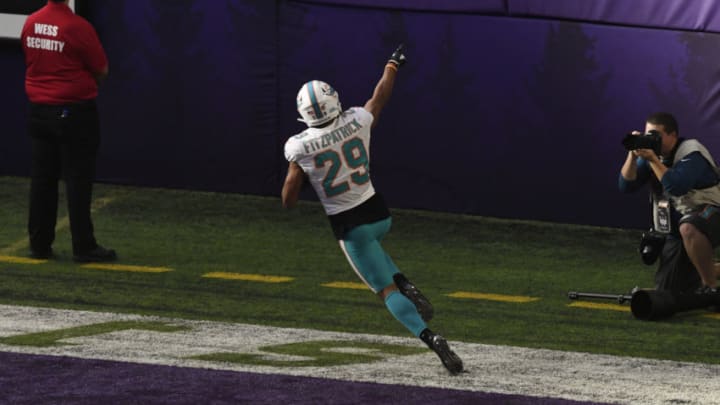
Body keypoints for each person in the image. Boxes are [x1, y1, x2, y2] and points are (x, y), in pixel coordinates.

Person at [281, 45, 463, 375]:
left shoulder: (299, 146)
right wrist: (392, 64)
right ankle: (406, 283)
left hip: (350, 225)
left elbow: (288, 200)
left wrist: (303, 171)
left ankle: (430, 337)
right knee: (376, 251)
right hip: (379, 212)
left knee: (384, 290)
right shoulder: (357, 120)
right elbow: (378, 97)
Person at [21, 0, 116, 262]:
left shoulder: (31, 22)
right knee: (77, 180)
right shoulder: (77, 27)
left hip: (40, 110)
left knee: (42, 180)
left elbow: (31, 60)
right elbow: (102, 69)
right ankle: (83, 245)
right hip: (73, 112)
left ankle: (39, 244)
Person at [619, 112, 720, 294]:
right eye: (648, 135)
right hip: (677, 230)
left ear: (673, 135)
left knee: (689, 227)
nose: (652, 140)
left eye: (656, 136)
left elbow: (676, 186)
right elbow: (626, 186)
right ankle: (709, 268)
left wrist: (652, 160)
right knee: (668, 291)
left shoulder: (691, 153)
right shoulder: (652, 156)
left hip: (712, 214)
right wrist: (632, 156)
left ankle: (711, 286)